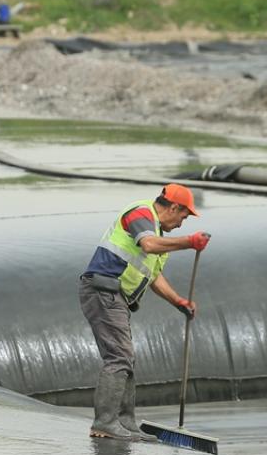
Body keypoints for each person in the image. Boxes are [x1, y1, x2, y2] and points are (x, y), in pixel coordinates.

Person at [79, 184, 211, 441]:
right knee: (119, 357)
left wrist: (179, 302)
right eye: (183, 216)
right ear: (174, 207)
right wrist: (188, 242)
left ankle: (126, 423)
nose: (182, 223)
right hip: (102, 290)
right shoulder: (141, 214)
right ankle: (105, 423)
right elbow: (149, 246)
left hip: (115, 297)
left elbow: (152, 276)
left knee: (126, 359)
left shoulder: (157, 230)